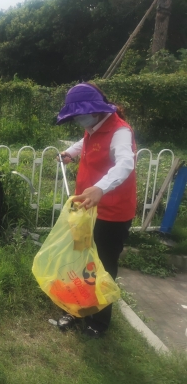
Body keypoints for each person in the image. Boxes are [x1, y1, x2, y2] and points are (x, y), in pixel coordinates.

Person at [55, 82, 137, 338]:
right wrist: (70, 152)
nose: (80, 120)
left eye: (82, 114)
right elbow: (86, 141)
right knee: (81, 259)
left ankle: (98, 321)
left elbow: (125, 164)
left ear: (97, 109)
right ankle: (77, 309)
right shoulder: (93, 127)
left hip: (112, 214)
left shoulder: (120, 131)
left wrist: (100, 188)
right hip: (85, 208)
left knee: (102, 266)